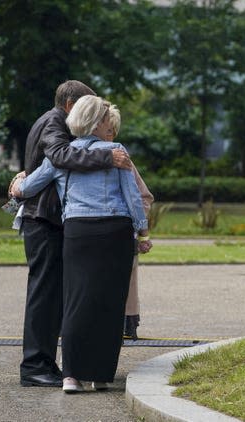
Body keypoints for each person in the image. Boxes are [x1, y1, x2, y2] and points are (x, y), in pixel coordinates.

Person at [11, 95, 151, 393]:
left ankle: (71, 376)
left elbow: (29, 187)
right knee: (109, 305)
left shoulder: (61, 155)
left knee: (75, 302)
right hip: (115, 231)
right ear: (97, 122)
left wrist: (17, 183)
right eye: (105, 119)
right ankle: (100, 376)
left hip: (77, 232)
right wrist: (143, 231)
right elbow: (133, 198)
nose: (109, 124)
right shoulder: (116, 152)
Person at [105, 104, 154, 340]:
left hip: (123, 230)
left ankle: (128, 322)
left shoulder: (122, 158)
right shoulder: (78, 155)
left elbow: (142, 196)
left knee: (127, 280)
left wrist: (137, 227)